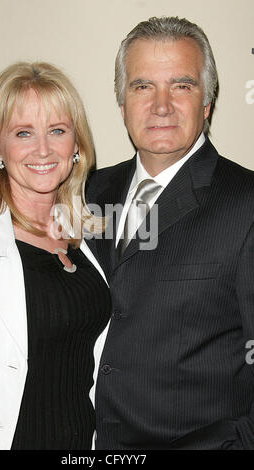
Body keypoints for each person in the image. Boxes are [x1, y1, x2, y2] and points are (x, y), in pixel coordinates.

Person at [85, 16, 254, 450]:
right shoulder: (85, 192)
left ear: (208, 103)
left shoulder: (247, 203)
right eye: (142, 86)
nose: (161, 105)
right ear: (122, 103)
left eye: (181, 85)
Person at [0, 61, 111, 450]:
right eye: (23, 133)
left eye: (57, 130)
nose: (43, 149)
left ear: (76, 145)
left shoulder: (87, 241)